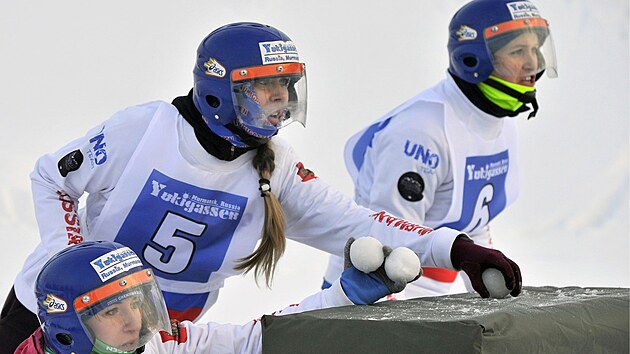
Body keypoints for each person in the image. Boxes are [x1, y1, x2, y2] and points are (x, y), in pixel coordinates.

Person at [1, 21, 522, 353]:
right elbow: (52, 177)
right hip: (57, 321)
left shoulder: (276, 164)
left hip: (167, 339)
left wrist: (453, 247)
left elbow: (356, 221)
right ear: (219, 93)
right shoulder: (146, 129)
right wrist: (70, 265)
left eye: (285, 88)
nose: (278, 101)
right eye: (263, 88)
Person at [322, 0, 556, 298]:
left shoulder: (499, 122)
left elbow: (474, 223)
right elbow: (384, 243)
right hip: (378, 292)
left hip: (438, 290)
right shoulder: (421, 132)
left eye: (535, 49)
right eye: (518, 51)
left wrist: (489, 290)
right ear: (476, 58)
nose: (533, 63)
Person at [15, 239, 416, 353]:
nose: (134, 323)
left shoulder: (161, 343)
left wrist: (340, 298)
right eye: (114, 312)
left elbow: (259, 339)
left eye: (138, 303)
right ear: (69, 328)